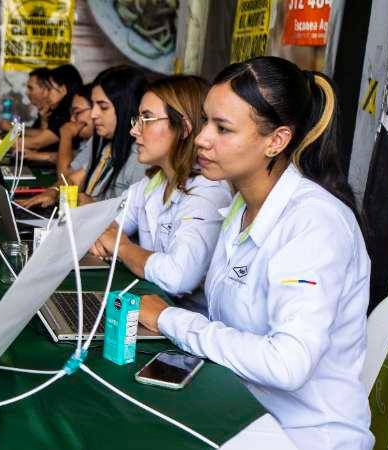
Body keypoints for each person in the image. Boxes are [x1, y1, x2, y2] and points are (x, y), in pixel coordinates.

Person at [136, 56, 373, 449]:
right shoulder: (239, 207)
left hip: (301, 436)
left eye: (222, 128)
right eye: (206, 121)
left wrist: (171, 321)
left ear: (276, 140)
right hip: (241, 412)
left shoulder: (315, 222)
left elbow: (287, 364)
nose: (201, 139)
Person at [87, 75, 230, 300]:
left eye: (147, 118)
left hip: (185, 319)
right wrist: (104, 235)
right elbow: (105, 224)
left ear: (183, 127)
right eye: (138, 119)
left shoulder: (209, 191)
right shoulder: (153, 183)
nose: (134, 131)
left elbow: (177, 277)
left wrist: (122, 247)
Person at [19, 65, 151, 207]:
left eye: (103, 107)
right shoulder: (106, 143)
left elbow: (134, 220)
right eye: (93, 105)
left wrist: (94, 207)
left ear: (126, 107)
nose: (94, 114)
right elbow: (75, 178)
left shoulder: (141, 156)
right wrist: (53, 191)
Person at [0, 64, 83, 160]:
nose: (46, 94)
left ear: (63, 90)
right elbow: (41, 134)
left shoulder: (66, 114)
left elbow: (36, 142)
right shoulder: (59, 110)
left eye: (50, 89)